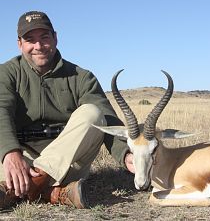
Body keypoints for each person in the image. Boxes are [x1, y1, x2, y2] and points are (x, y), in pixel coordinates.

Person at [0, 11, 134, 209]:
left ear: (55, 38)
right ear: (20, 44)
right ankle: (53, 192)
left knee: (93, 113)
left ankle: (23, 188)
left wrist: (126, 154)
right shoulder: (7, 73)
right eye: (30, 40)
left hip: (68, 162)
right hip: (19, 161)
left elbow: (107, 117)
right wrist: (11, 153)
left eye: (44, 37)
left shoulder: (81, 77)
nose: (38, 46)